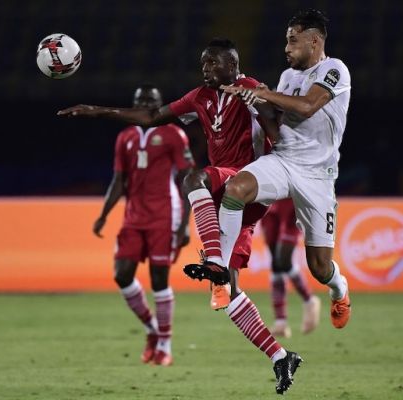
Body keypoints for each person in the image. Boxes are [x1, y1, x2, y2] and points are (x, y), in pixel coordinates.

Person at [58, 39, 301, 395]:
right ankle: (281, 356)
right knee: (228, 293)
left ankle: (213, 258)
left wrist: (264, 110)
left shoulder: (250, 89)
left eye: (213, 62)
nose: (206, 69)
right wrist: (98, 110)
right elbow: (153, 117)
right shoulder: (200, 96)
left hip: (250, 180)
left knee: (194, 177)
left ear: (233, 64)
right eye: (203, 63)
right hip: (230, 200)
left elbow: (280, 134)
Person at [217, 9, 352, 332]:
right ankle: (219, 269)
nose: (286, 48)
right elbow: (278, 124)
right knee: (235, 189)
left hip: (317, 176)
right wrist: (254, 100)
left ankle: (339, 290)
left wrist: (263, 93)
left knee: (319, 267)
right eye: (286, 41)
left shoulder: (335, 70)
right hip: (283, 160)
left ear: (314, 41)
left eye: (293, 41)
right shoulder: (287, 77)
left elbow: (306, 107)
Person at [90, 85, 195, 366]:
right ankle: (152, 328)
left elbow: (188, 181)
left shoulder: (174, 135)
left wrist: (185, 224)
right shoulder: (125, 137)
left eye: (151, 101)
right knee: (122, 274)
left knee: (159, 280)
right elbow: (119, 181)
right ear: (133, 105)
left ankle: (165, 344)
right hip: (133, 217)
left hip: (165, 216)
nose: (146, 104)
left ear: (161, 105)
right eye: (140, 101)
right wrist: (104, 214)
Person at [261, 198, 321, 338]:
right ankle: (280, 322)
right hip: (268, 199)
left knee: (284, 260)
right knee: (276, 263)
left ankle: (309, 300)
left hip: (292, 200)